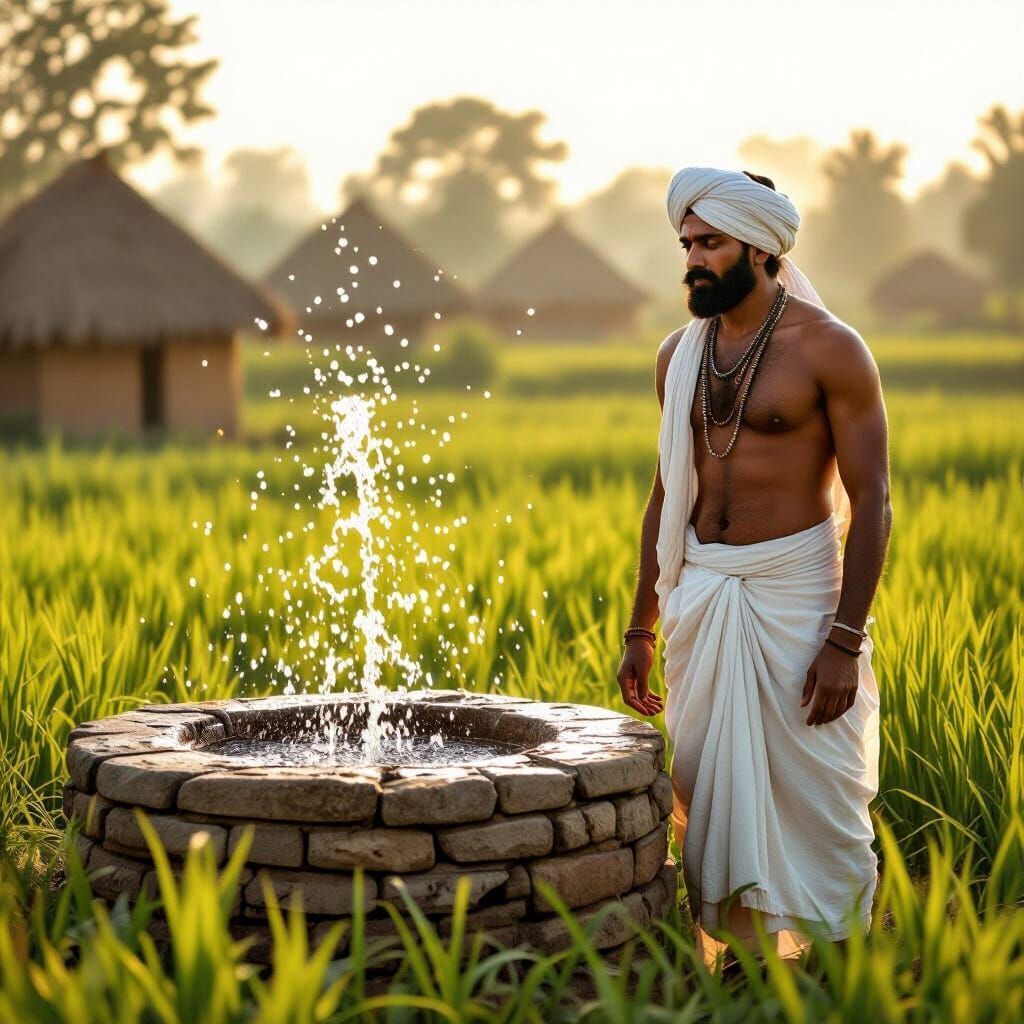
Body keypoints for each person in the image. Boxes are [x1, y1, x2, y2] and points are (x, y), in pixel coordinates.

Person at [616, 166, 893, 969]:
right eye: (687, 244)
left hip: (799, 597)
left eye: (711, 244)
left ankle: (845, 965)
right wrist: (642, 621)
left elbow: (872, 501)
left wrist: (845, 639)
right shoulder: (678, 354)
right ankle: (743, 962)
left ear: (762, 248)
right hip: (702, 592)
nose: (693, 261)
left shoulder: (831, 349)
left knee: (820, 794)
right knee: (706, 789)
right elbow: (667, 490)